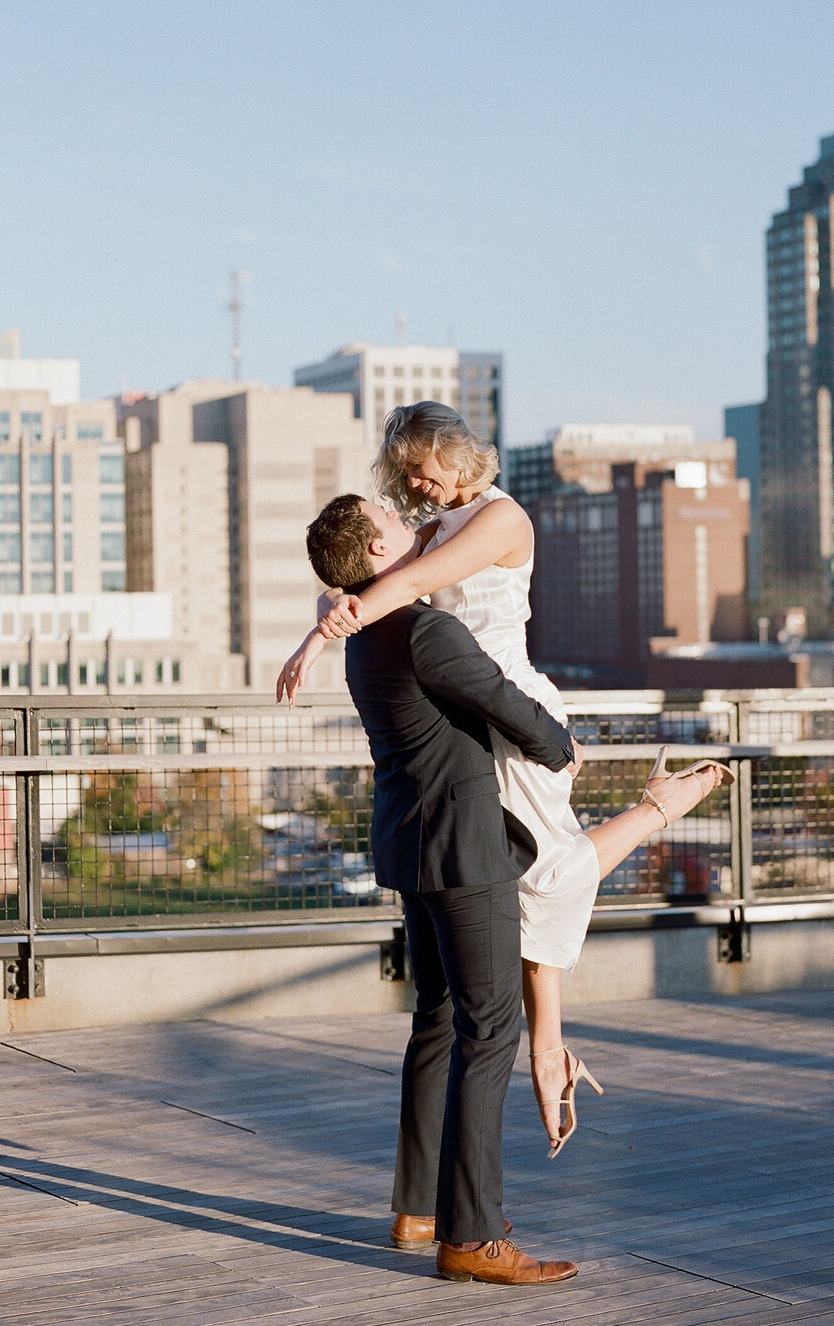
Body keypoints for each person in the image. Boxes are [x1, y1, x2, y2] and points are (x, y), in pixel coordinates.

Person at [279, 403, 731, 1157]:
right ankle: (550, 1046)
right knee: (519, 878)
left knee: (546, 872)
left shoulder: (499, 518)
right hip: (468, 718)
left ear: (459, 454)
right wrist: (317, 632)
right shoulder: (435, 523)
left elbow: (404, 583)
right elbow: (364, 577)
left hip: (512, 709)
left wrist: (324, 639)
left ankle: (655, 815)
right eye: (405, 471)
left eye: (424, 464)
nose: (415, 480)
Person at [305, 491, 580, 1285]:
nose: (408, 525)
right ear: (382, 553)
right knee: (489, 1032)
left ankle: (419, 1206)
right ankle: (473, 1233)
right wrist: (561, 747)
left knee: (435, 1021)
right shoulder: (428, 631)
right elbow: (501, 700)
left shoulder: (366, 638)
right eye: (393, 525)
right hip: (463, 852)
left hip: (410, 848)